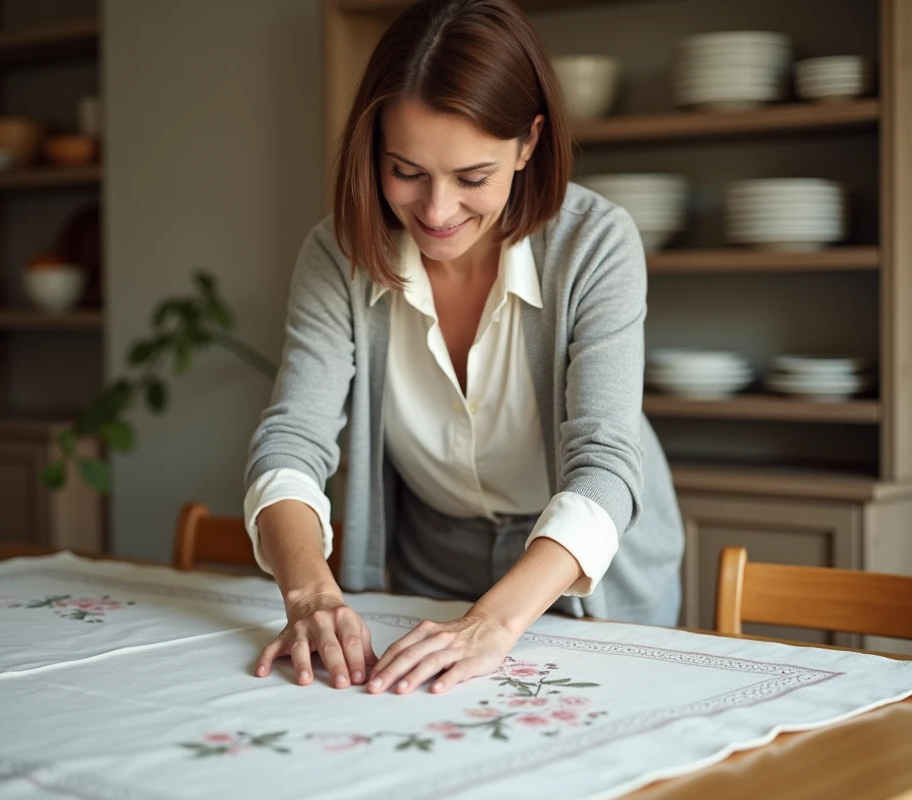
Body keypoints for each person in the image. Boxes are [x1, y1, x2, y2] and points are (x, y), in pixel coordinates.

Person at [245, 0, 684, 697]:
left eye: (472, 178)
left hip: (585, 568)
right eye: (406, 171)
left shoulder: (595, 243)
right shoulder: (338, 255)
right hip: (432, 563)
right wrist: (310, 596)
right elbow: (293, 438)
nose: (437, 211)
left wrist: (495, 624)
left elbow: (605, 464)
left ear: (529, 142)